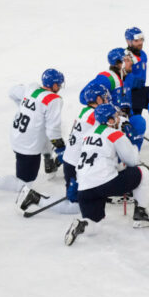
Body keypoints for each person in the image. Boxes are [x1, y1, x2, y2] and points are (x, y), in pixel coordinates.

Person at [63, 103, 149, 245]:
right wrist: (133, 142)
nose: (118, 119)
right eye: (115, 117)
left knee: (95, 225)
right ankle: (141, 214)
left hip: (83, 188)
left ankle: (82, 225)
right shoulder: (115, 134)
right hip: (105, 184)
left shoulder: (87, 135)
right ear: (110, 120)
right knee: (142, 171)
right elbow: (133, 161)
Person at [0, 69, 66, 212]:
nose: (60, 86)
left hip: (17, 136)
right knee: (24, 184)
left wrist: (25, 107)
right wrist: (61, 148)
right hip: (28, 145)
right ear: (54, 85)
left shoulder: (31, 88)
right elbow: (53, 131)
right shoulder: (54, 100)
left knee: (42, 133)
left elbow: (12, 91)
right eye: (59, 84)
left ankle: (48, 158)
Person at [56, 83, 112, 216]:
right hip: (77, 166)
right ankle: (38, 200)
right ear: (98, 99)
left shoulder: (85, 111)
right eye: (104, 97)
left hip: (72, 161)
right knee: (76, 205)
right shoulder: (95, 116)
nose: (106, 100)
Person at [80, 48, 146, 150]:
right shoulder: (107, 78)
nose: (132, 62)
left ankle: (132, 157)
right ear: (119, 64)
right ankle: (118, 159)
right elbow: (83, 96)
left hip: (121, 119)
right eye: (127, 60)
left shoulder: (128, 76)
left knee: (139, 121)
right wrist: (108, 108)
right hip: (108, 121)